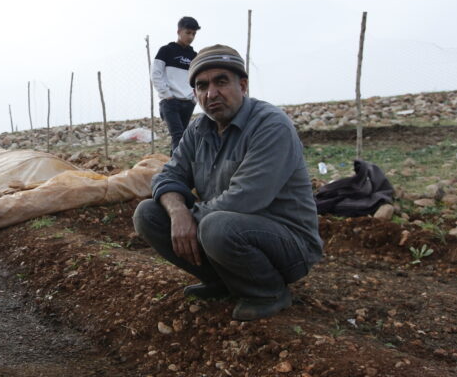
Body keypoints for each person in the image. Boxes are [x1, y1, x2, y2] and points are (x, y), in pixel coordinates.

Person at [132, 45, 322, 321]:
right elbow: (168, 175)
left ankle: (268, 291)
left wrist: (189, 217)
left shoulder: (270, 125)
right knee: (148, 213)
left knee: (217, 226)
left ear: (242, 85)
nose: (211, 93)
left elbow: (244, 199)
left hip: (287, 243)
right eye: (202, 85)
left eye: (221, 81)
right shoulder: (198, 129)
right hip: (228, 231)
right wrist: (177, 212)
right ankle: (224, 282)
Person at [151, 16, 200, 152]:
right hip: (170, 101)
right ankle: (176, 170)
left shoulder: (194, 56)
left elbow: (197, 79)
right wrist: (167, 95)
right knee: (177, 135)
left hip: (188, 101)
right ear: (179, 31)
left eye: (194, 34)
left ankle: (176, 168)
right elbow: (156, 74)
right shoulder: (166, 50)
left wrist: (194, 98)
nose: (191, 37)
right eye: (188, 33)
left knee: (184, 136)